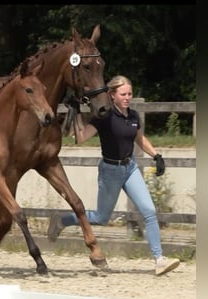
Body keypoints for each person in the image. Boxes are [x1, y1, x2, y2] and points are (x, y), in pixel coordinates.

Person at [48, 75, 180, 276]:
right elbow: (81, 138)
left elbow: (139, 138)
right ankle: (63, 220)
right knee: (101, 217)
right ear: (112, 95)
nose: (127, 97)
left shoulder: (133, 116)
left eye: (130, 93)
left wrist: (156, 155)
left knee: (149, 211)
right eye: (123, 94)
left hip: (130, 168)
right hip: (110, 171)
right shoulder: (105, 117)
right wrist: (76, 115)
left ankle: (159, 260)